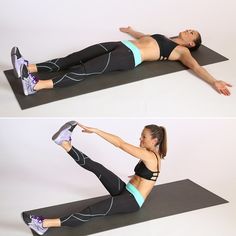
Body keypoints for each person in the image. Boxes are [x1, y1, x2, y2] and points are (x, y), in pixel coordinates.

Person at [22, 121, 167, 235]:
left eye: (144, 137)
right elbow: (153, 173)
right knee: (98, 168)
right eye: (141, 135)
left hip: (132, 201)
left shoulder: (149, 156)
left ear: (154, 140)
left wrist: (96, 131)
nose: (140, 138)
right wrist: (140, 176)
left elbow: (121, 144)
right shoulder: (153, 153)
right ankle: (65, 144)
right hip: (126, 189)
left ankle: (43, 225)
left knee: (92, 211)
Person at [11, 26, 232, 96]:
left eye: (192, 33)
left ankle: (36, 85)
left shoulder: (182, 52)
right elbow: (145, 38)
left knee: (85, 69)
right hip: (120, 44)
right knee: (75, 57)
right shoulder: (164, 37)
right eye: (190, 29)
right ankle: (28, 66)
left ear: (192, 44)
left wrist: (214, 82)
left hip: (128, 57)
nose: (188, 30)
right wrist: (131, 30)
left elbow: (196, 67)